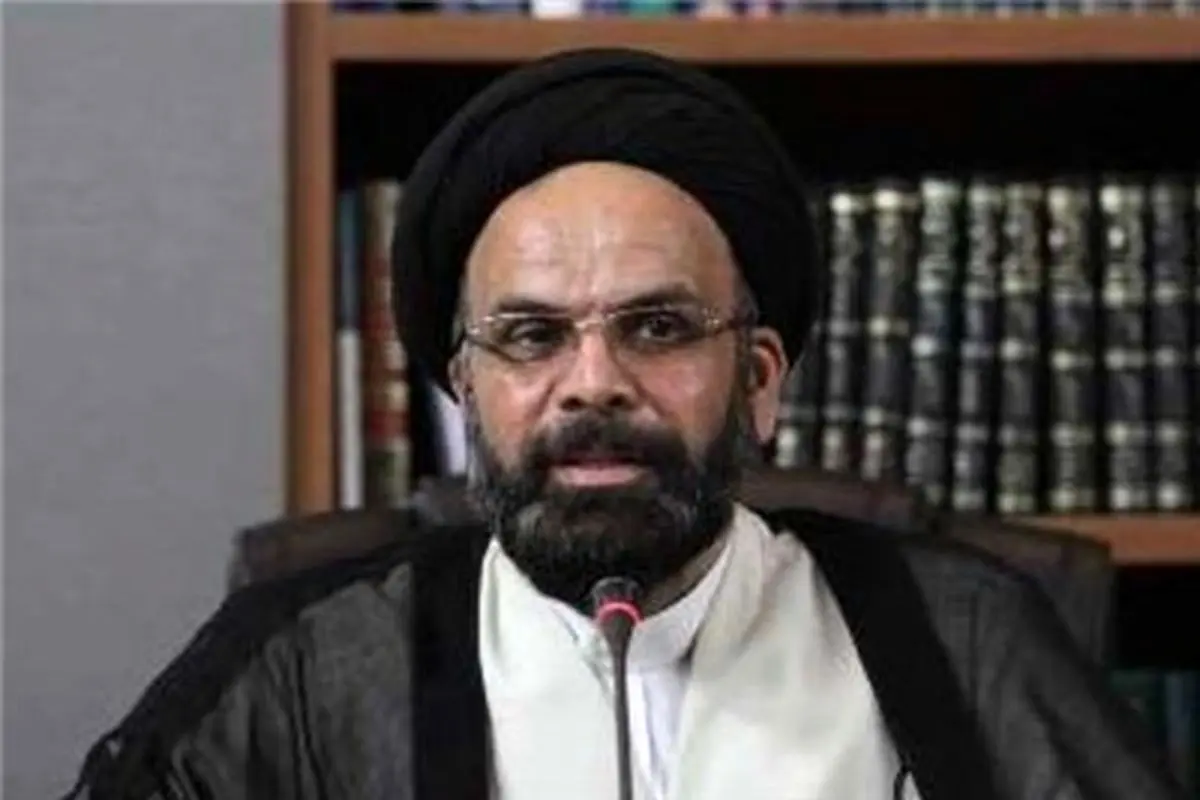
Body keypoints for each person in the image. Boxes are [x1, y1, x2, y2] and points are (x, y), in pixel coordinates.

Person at [63, 47, 1184, 800]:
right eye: (532, 335)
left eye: (656, 327)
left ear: (758, 379)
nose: (593, 383)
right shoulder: (309, 661)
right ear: (464, 389)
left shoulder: (958, 634)